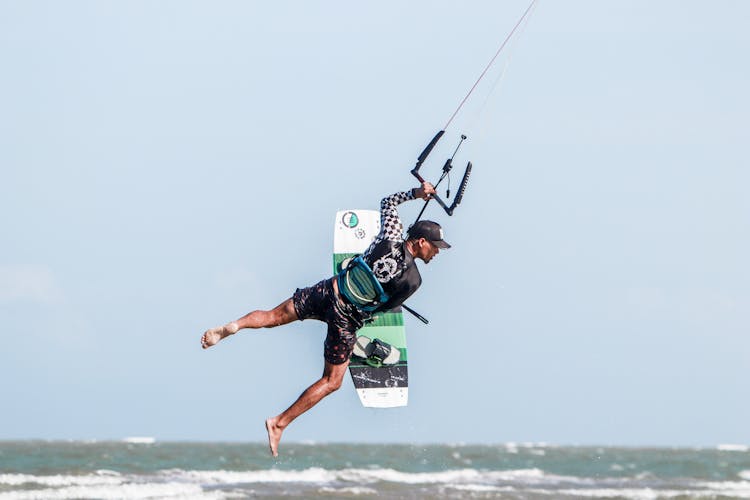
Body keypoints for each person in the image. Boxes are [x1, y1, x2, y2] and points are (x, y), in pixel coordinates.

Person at [200, 181, 450, 457]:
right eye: (436, 247)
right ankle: (279, 423)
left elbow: (388, 202)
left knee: (273, 316)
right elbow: (383, 308)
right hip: (346, 321)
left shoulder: (390, 236)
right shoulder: (413, 281)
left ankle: (235, 325)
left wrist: (417, 193)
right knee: (332, 381)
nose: (437, 252)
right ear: (422, 241)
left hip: (328, 291)